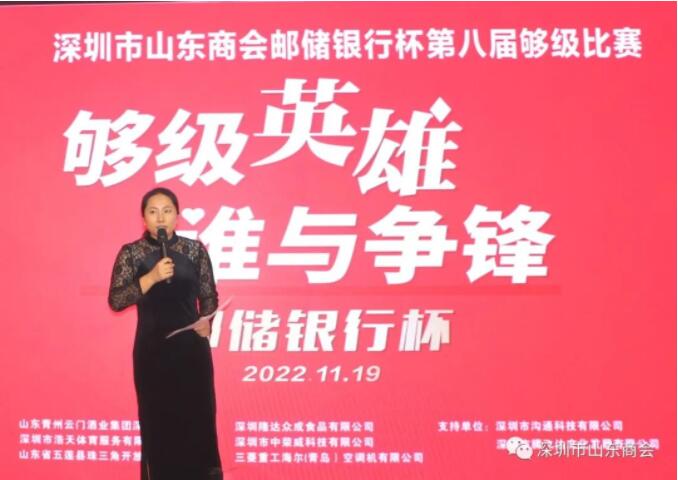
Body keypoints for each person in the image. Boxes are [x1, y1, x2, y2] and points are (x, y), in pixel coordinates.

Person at [108, 187, 222, 480]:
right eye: (153, 211)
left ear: (177, 216)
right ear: (144, 218)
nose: (161, 218)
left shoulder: (194, 250)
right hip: (152, 352)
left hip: (191, 351)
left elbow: (209, 296)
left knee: (198, 420)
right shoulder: (132, 253)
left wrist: (206, 321)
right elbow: (117, 300)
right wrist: (151, 277)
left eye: (167, 211)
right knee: (157, 421)